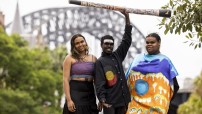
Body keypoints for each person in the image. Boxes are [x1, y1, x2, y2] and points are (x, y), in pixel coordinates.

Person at [125, 33, 179, 114]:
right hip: (135, 107)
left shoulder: (165, 61)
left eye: (152, 42)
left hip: (156, 108)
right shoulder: (137, 59)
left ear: (159, 43)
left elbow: (175, 86)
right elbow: (126, 80)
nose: (149, 45)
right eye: (147, 43)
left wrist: (164, 102)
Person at [94, 10, 132, 114]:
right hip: (110, 102)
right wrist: (102, 100)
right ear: (101, 45)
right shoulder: (100, 62)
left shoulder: (118, 55)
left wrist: (127, 16)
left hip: (123, 101)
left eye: (111, 44)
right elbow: (99, 83)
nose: (109, 46)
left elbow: (126, 40)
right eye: (106, 44)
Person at [62, 34, 100, 114]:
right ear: (74, 46)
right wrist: (69, 100)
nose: (80, 44)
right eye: (77, 43)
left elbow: (97, 81)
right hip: (75, 91)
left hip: (90, 92)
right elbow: (65, 80)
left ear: (85, 42)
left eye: (82, 41)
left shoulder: (93, 58)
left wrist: (100, 99)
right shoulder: (69, 58)